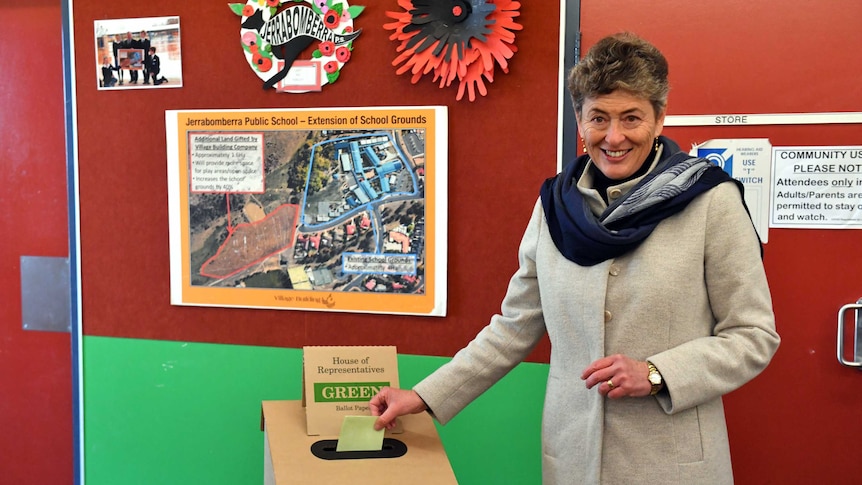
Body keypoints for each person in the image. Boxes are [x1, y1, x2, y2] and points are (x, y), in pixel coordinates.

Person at [370, 32, 780, 484]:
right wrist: (425, 396)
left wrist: (658, 373)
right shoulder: (554, 207)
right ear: (579, 120)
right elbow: (513, 328)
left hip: (672, 464)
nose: (614, 136)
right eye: (599, 118)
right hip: (572, 461)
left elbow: (752, 334)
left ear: (660, 119)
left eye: (632, 118)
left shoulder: (711, 202)